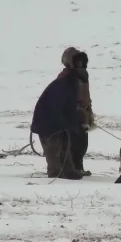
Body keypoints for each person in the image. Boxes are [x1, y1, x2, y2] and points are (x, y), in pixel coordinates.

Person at [30, 47, 91, 180]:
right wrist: (70, 121)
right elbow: (60, 104)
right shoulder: (65, 80)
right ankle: (57, 174)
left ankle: (71, 169)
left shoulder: (80, 79)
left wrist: (85, 118)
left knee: (72, 145)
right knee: (56, 148)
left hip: (67, 119)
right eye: (77, 62)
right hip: (49, 121)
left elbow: (83, 101)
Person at [56, 47, 95, 177]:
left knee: (83, 143)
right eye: (76, 61)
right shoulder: (65, 76)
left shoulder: (84, 76)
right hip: (72, 115)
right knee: (72, 143)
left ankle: (79, 166)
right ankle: (71, 168)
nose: (79, 63)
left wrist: (89, 113)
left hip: (83, 115)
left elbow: (87, 96)